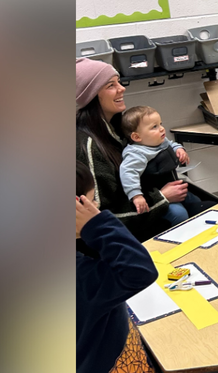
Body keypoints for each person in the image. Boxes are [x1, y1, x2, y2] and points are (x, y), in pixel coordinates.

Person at [76, 58, 191, 241]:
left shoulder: (117, 130)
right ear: (91, 96)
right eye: (110, 85)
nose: (122, 88)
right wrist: (161, 197)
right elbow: (100, 217)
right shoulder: (88, 146)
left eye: (119, 82)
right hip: (129, 234)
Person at [76, 161, 166, 373]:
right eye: (91, 200)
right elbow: (140, 270)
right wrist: (97, 225)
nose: (96, 204)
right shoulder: (81, 276)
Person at [119, 105, 202, 225]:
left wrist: (179, 149)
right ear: (136, 137)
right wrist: (136, 195)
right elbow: (128, 172)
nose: (162, 129)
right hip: (159, 197)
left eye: (160, 124)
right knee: (179, 214)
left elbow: (171, 144)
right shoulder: (136, 153)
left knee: (197, 202)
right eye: (154, 127)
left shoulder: (158, 140)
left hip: (176, 189)